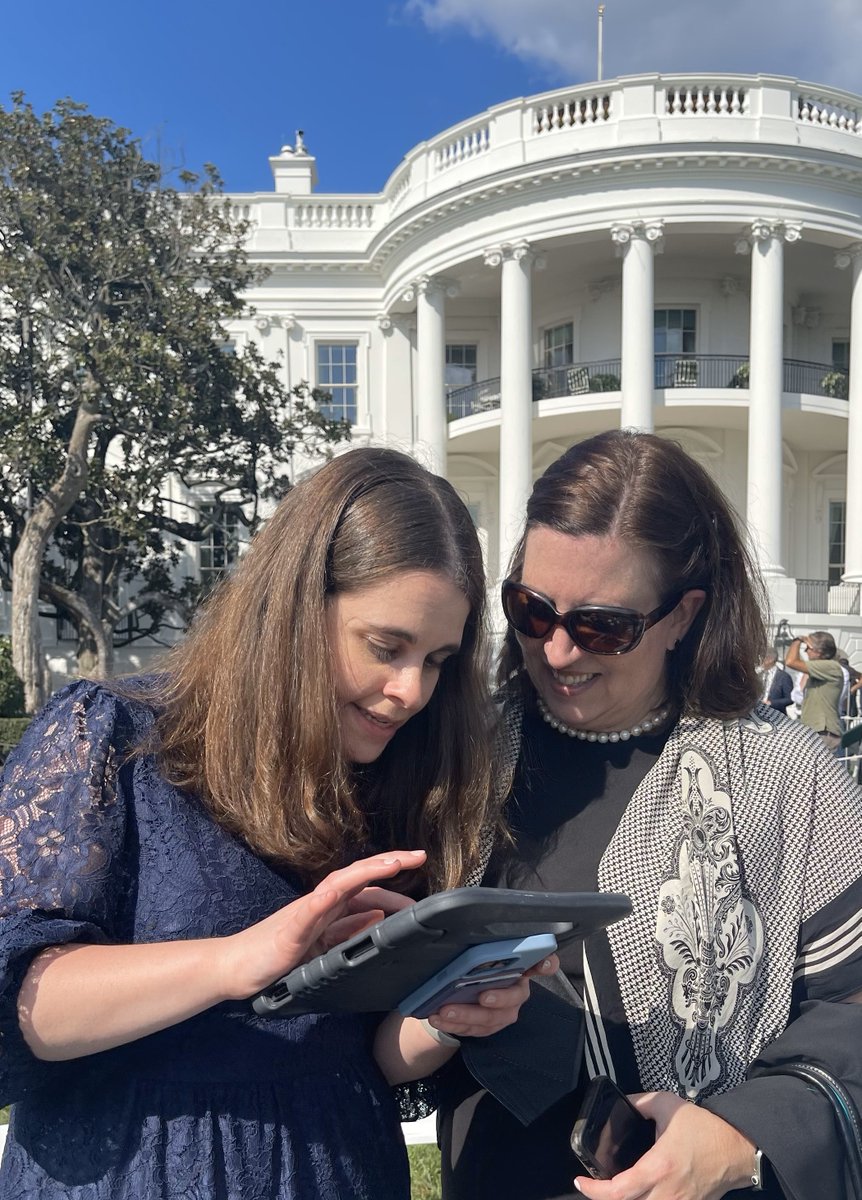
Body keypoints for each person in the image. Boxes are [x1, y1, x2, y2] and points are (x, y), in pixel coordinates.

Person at [0, 447, 554, 1200]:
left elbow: (358, 1058)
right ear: (294, 607)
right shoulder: (112, 738)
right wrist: (237, 959)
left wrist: (448, 1014)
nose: (409, 691)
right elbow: (25, 1003)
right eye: (386, 648)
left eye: (436, 661)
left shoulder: (398, 781)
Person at [437, 430, 862, 1200]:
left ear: (682, 617)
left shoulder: (787, 773)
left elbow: (854, 1003)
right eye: (532, 611)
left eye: (602, 625)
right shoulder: (456, 759)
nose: (559, 651)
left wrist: (744, 1133)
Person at [785, 631, 844, 752]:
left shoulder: (831, 666)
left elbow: (790, 662)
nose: (805, 651)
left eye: (808, 648)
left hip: (823, 731)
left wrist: (797, 640)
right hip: (815, 730)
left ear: (819, 652)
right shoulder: (820, 669)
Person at [759, 649, 793, 714]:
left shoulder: (783, 677)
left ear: (770, 659)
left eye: (762, 658)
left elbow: (790, 699)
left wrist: (771, 703)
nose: (760, 661)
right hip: (758, 714)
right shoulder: (759, 675)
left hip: (775, 714)